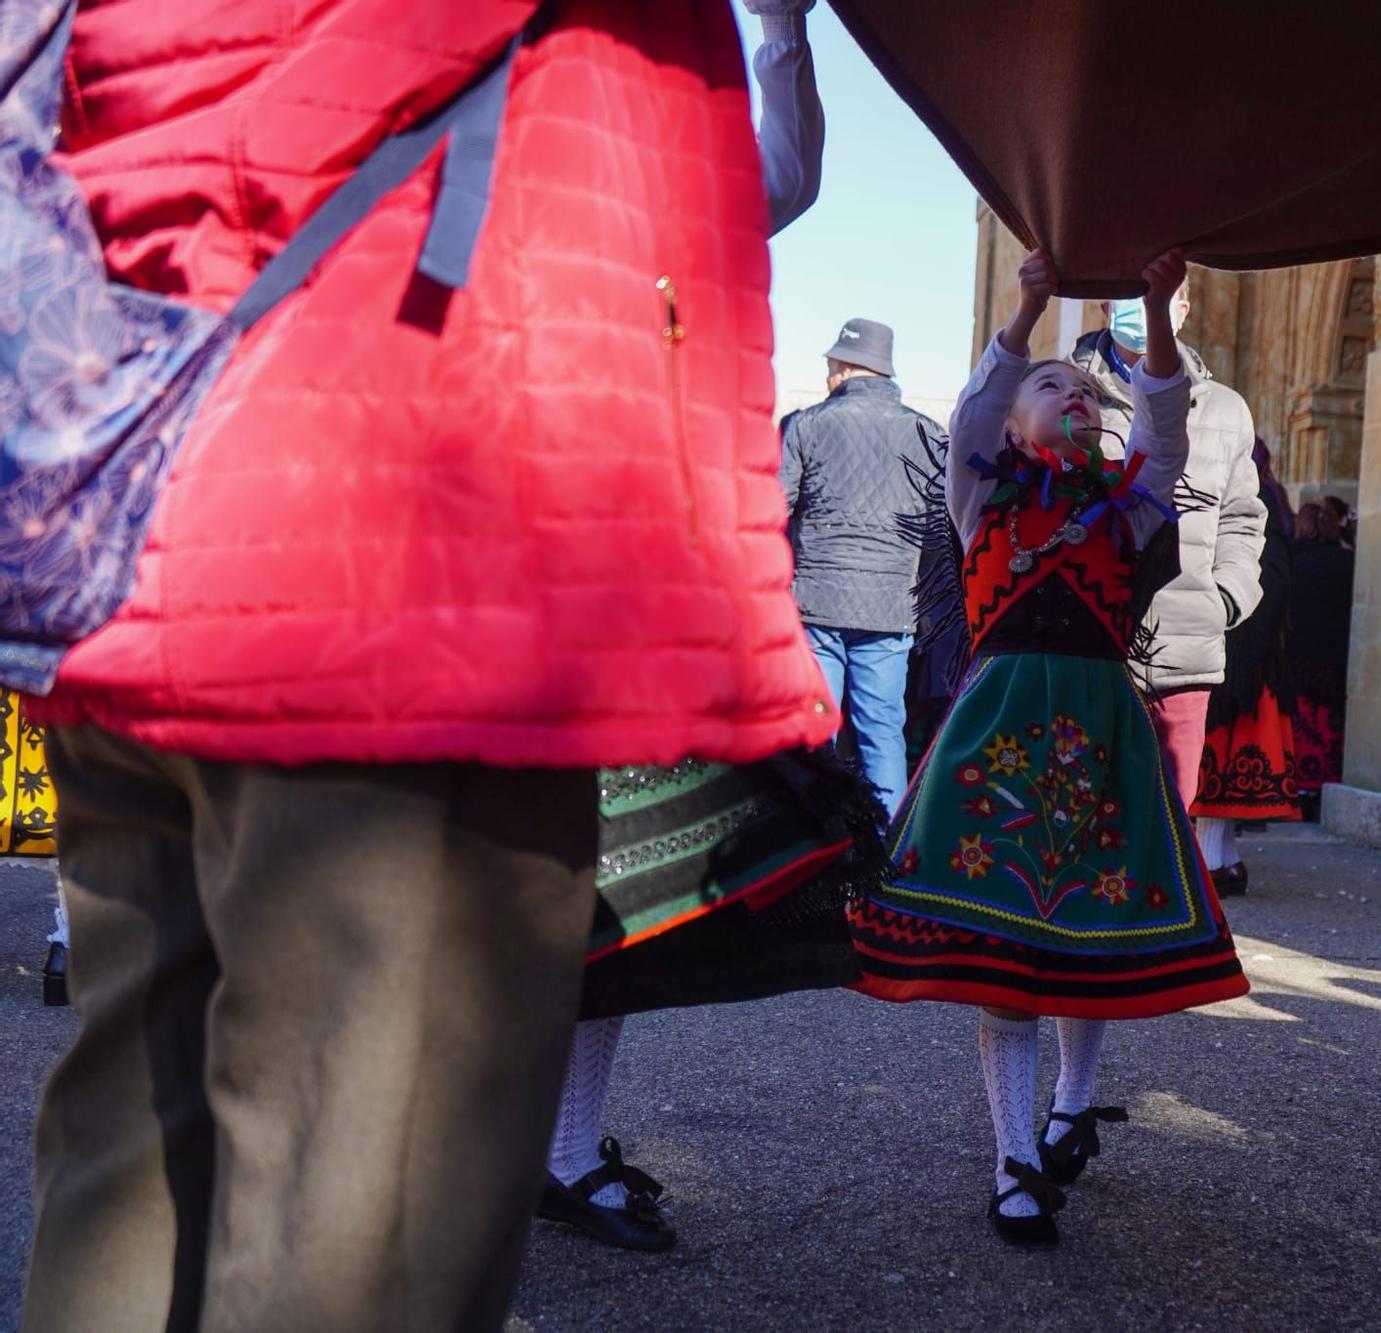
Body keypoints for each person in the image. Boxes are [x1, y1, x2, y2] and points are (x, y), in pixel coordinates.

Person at [14, 2, 840, 1327]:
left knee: (135, 1162)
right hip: (409, 557)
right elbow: (763, 179)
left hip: (144, 527)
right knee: (359, 1241)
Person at [846, 247, 1250, 1248]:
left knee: (1086, 932)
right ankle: (1011, 1159)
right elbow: (976, 404)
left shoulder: (1135, 505)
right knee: (1002, 956)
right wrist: (1025, 312)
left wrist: (1156, 309)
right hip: (997, 738)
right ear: (1012, 424)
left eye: (1080, 388)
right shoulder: (979, 498)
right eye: (1045, 385)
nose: (1068, 393)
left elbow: (1160, 422)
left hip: (1102, 737)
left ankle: (1072, 1104)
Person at [534, 0, 843, 1255]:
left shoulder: (653, 214)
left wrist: (774, 25)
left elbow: (786, 174)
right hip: (457, 592)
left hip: (604, 611)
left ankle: (554, 1151)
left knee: (603, 908)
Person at [1070, 281, 1266, 809]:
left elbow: (1243, 519)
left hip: (1185, 651)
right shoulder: (1063, 395)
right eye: (1132, 292)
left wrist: (1225, 598)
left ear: (1184, 308)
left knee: (1169, 825)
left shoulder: (1225, 410)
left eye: (1163, 294)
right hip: (1085, 649)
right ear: (1105, 303)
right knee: (1077, 820)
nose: (1146, 305)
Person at [780, 316, 941, 813]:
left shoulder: (805, 426)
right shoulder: (929, 433)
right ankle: (885, 852)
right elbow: (941, 529)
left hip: (815, 608)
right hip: (890, 610)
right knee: (882, 734)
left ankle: (814, 848)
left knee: (815, 730)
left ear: (843, 368)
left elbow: (773, 511)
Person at [1191, 439, 1303, 892]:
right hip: (1229, 641)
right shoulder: (1258, 496)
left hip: (1239, 646)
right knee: (1211, 759)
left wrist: (1241, 650)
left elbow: (1270, 578)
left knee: (1219, 754)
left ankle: (1215, 863)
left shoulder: (1259, 500)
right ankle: (1222, 860)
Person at [1289, 497, 1356, 812]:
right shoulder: (1348, 563)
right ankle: (1325, 786)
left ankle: (1299, 788)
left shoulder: (1289, 563)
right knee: (1329, 728)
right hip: (1335, 658)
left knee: (1304, 726)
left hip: (1298, 660)